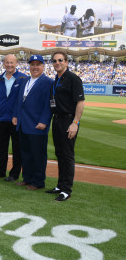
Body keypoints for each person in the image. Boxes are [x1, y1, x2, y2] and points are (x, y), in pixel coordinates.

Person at [46, 51, 85, 201]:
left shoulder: (73, 79)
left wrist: (75, 123)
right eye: (55, 61)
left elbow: (80, 102)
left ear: (66, 62)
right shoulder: (57, 79)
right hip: (57, 120)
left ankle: (66, 190)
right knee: (60, 154)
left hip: (69, 121)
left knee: (67, 156)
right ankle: (60, 185)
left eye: (60, 60)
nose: (57, 63)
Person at [12, 55, 53, 190]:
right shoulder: (25, 81)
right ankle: (27, 178)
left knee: (38, 155)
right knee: (25, 153)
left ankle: (38, 182)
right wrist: (15, 115)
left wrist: (44, 121)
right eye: (32, 64)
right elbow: (19, 101)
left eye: (38, 64)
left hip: (37, 125)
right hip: (23, 123)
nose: (35, 67)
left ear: (43, 66)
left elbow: (49, 105)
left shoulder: (48, 82)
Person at [0, 54, 27, 181]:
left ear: (16, 63)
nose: (9, 65)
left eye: (12, 62)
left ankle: (14, 174)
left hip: (16, 119)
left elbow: (23, 100)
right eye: (7, 62)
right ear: (3, 63)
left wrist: (17, 115)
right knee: (1, 147)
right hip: (1, 118)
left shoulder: (23, 78)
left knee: (17, 148)